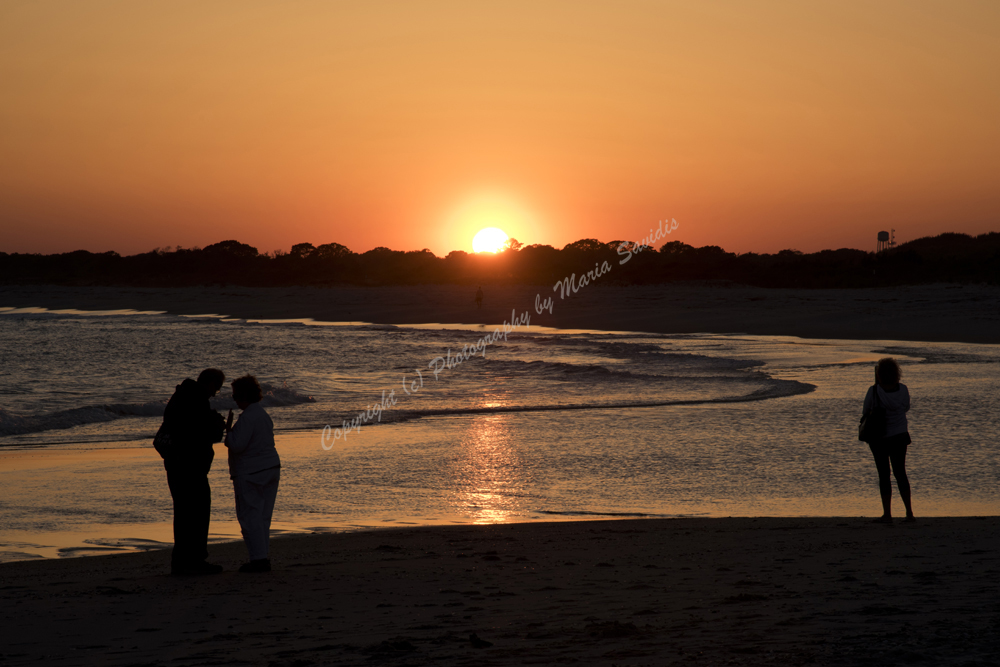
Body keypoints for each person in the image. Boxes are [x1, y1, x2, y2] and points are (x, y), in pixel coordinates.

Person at [162, 368, 226, 575]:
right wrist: (217, 425)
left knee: (183, 513)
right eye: (216, 387)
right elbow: (200, 434)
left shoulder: (182, 396)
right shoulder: (197, 400)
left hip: (177, 464)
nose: (215, 393)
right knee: (197, 511)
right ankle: (194, 560)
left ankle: (181, 562)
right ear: (208, 383)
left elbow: (186, 426)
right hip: (189, 465)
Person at [225, 374, 281, 573]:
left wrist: (228, 433)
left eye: (235, 396)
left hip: (251, 472)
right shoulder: (263, 415)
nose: (234, 399)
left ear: (242, 396)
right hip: (271, 467)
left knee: (250, 517)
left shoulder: (248, 417)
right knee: (263, 517)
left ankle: (258, 559)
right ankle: (261, 557)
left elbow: (237, 445)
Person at [862, 357, 914, 523]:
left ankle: (887, 514)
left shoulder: (874, 391)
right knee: (901, 473)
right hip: (899, 436)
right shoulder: (903, 390)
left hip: (879, 438)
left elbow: (865, 411)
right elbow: (906, 407)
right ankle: (909, 512)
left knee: (884, 475)